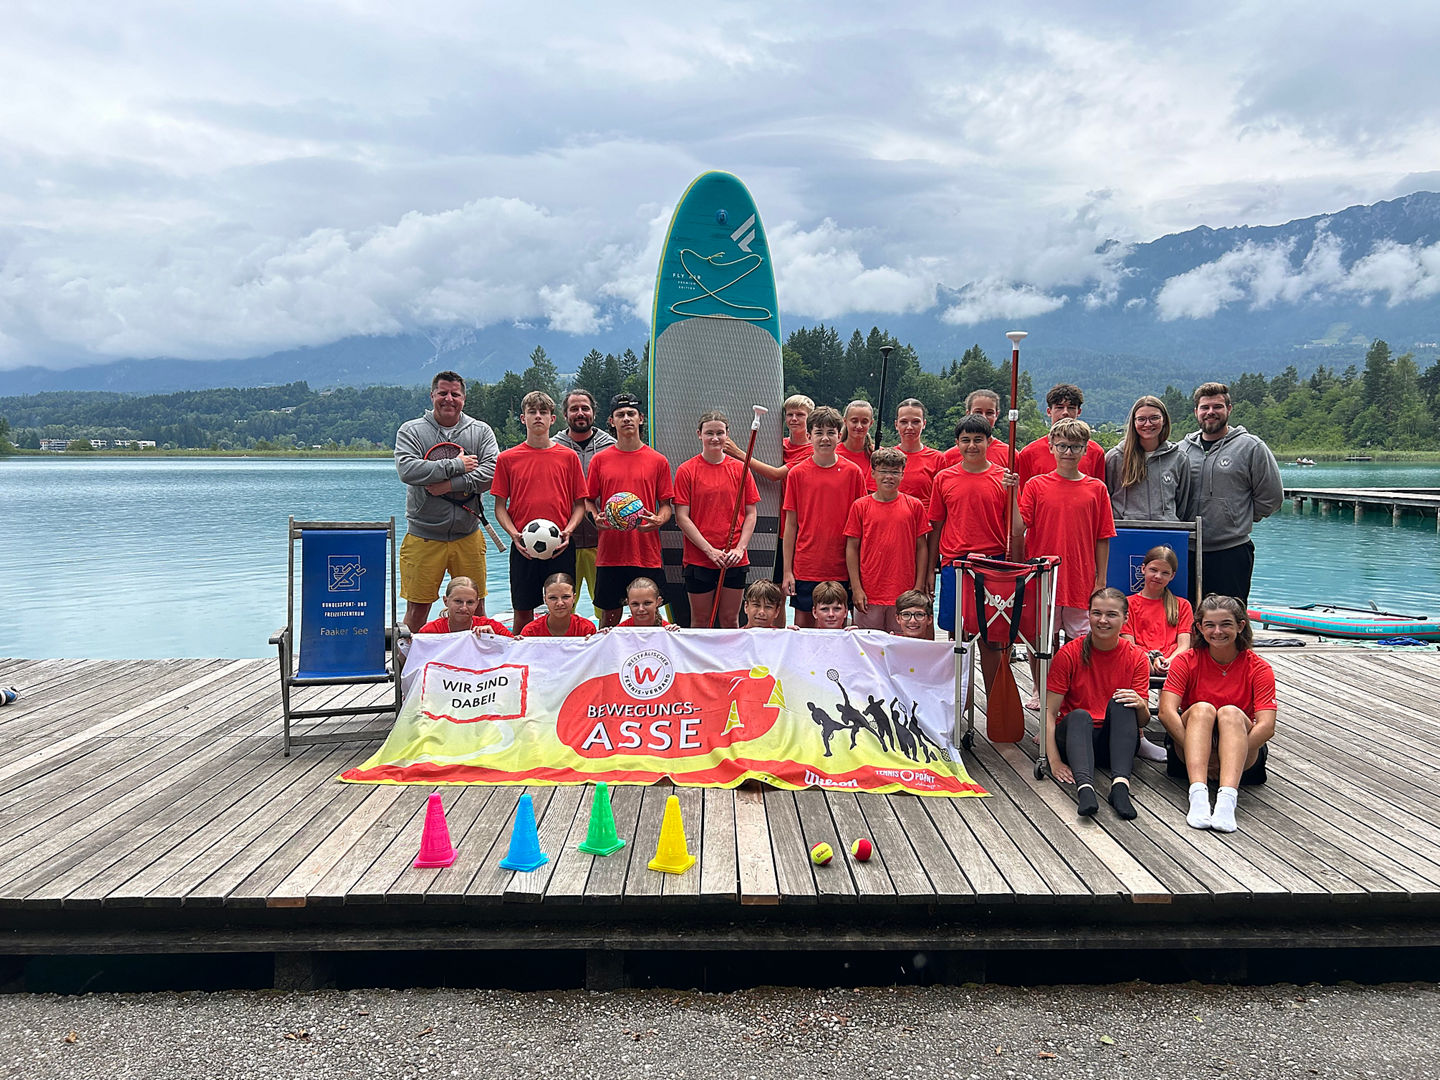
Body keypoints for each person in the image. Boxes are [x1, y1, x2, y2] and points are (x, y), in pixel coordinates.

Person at [1019, 417, 1117, 708]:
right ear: (1051, 447)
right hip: (1043, 579)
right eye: (1062, 445)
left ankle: (1080, 698)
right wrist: (1011, 492)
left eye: (1075, 446)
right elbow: (1017, 527)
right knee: (1041, 643)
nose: (1068, 452)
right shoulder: (1036, 485)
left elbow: (1103, 536)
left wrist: (1101, 580)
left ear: (1086, 450)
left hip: (1080, 579)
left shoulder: (1097, 489)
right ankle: (1042, 691)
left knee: (1082, 644)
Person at [1158, 594, 1276, 833]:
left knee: (1230, 713)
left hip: (1240, 752)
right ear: (1200, 627)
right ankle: (1198, 795)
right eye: (1209, 625)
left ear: (1240, 626)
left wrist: (1225, 756)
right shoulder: (1186, 661)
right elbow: (1166, 711)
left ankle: (1227, 799)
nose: (1217, 631)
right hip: (1190, 747)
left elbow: (1266, 725)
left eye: (1226, 624)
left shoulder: (1259, 667)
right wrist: (1198, 751)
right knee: (1202, 709)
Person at [394, 371, 500, 632]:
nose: (449, 399)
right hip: (423, 535)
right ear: (432, 396)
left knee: (477, 610)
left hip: (468, 534)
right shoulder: (412, 430)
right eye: (443, 393)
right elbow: (407, 470)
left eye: (455, 394)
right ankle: (408, 670)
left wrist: (449, 485)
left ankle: (476, 669)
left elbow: (492, 473)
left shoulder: (480, 431)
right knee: (417, 611)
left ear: (464, 398)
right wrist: (456, 465)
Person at [1044, 588, 1151, 820]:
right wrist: (1054, 761)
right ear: (1088, 615)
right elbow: (1049, 712)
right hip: (1075, 739)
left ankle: (1121, 787)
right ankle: (1085, 789)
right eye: (1096, 613)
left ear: (1125, 618)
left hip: (1114, 745)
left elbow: (1141, 721)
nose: (1103, 620)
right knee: (1080, 715)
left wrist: (1141, 705)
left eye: (1111, 614)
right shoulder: (1069, 653)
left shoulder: (1137, 657)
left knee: (1124, 702)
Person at [491, 391, 588, 634]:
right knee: (523, 609)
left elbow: (580, 504)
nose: (538, 417)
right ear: (522, 418)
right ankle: (521, 659)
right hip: (524, 545)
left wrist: (568, 531)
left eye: (543, 412)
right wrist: (514, 534)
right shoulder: (507, 459)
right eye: (532, 412)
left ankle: (566, 655)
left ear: (553, 419)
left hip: (560, 546)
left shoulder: (568, 457)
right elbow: (500, 507)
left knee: (563, 606)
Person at [1181, 382, 1283, 605]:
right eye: (1204, 407)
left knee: (1230, 620)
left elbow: (1272, 497)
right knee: (1186, 620)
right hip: (1186, 550)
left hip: (1231, 550)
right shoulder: (1182, 450)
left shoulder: (1251, 447)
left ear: (1229, 409)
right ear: (1196, 412)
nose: (1210, 412)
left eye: (1217, 406)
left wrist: (1240, 516)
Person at [584, 393, 674, 628]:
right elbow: (588, 500)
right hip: (610, 554)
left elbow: (666, 506)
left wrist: (658, 520)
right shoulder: (599, 460)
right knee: (609, 619)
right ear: (611, 422)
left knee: (651, 617)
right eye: (620, 415)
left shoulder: (658, 461)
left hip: (645, 553)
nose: (626, 419)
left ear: (641, 418)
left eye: (631, 414)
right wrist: (595, 517)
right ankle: (609, 663)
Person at [725, 394, 814, 625]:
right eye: (790, 415)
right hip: (773, 522)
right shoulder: (779, 445)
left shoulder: (810, 451)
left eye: (800, 415)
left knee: (782, 592)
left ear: (809, 419)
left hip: (792, 524)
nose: (794, 419)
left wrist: (738, 454)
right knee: (772, 588)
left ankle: (780, 636)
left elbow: (776, 475)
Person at [782, 407, 867, 628]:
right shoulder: (797, 473)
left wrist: (858, 574)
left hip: (842, 566)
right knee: (804, 630)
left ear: (840, 436)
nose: (825, 438)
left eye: (831, 432)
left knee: (838, 629)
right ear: (809, 436)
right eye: (819, 432)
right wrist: (787, 571)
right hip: (806, 566)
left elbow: (862, 525)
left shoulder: (853, 472)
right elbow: (791, 525)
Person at [674, 411, 760, 628]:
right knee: (701, 621)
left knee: (731, 620)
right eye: (709, 433)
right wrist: (709, 550)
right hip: (699, 559)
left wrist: (740, 548)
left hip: (734, 558)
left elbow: (751, 513)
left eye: (720, 433)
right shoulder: (686, 470)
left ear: (727, 435)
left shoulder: (740, 469)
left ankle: (730, 663)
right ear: (699, 435)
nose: (715, 438)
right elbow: (682, 517)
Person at [844, 446, 930, 633]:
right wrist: (856, 588)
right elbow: (852, 547)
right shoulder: (860, 506)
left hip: (904, 592)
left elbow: (921, 547)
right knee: (867, 646)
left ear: (902, 474)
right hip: (869, 593)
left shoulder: (914, 506)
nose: (888, 477)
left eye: (894, 472)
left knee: (901, 645)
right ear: (873, 473)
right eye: (883, 471)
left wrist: (918, 585)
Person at [553, 389, 617, 617]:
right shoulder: (552, 447)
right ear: (564, 414)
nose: (580, 413)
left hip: (601, 542)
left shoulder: (611, 447)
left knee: (605, 610)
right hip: (560, 542)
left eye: (585, 408)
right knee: (559, 609)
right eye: (574, 409)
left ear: (593, 412)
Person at [1105, 396, 1193, 522]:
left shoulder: (1179, 458)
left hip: (1166, 533)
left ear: (1164, 420)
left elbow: (1183, 503)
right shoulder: (1115, 458)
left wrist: (1169, 520)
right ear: (1134, 422)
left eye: (1154, 418)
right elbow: (1105, 499)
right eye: (1141, 419)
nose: (1148, 424)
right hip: (1124, 532)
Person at [1015, 383, 1106, 488]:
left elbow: (1099, 494)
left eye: (1071, 407)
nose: (1065, 412)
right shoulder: (1029, 453)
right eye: (1059, 407)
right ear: (1049, 411)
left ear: (1079, 412)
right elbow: (1022, 495)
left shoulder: (1096, 452)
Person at [1122, 545, 1194, 677]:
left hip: (1172, 668)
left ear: (1172, 576)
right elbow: (1129, 645)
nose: (1158, 576)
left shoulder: (1183, 605)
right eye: (1153, 570)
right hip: (1139, 667)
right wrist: (1149, 661)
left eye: (1165, 573)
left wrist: (1168, 662)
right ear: (1143, 569)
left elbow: (1184, 646)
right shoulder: (1127, 604)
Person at [416, 577, 513, 637]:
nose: (464, 608)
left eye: (470, 602)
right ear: (446, 601)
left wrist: (493, 639)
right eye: (458, 601)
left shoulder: (493, 627)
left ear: (477, 604)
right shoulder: (430, 631)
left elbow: (515, 649)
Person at [942, 389, 1012, 470]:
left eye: (989, 413)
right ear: (968, 414)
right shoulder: (949, 457)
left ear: (996, 415)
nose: (984, 417)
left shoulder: (1009, 454)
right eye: (978, 412)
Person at [894, 399, 945, 503]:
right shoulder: (886, 458)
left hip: (925, 518)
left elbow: (943, 498)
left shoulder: (937, 459)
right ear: (896, 425)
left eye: (915, 422)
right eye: (904, 422)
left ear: (924, 424)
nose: (909, 427)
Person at [519, 573, 598, 637]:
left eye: (565, 597)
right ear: (545, 599)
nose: (560, 603)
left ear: (574, 598)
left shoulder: (587, 629)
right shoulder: (530, 632)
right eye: (553, 598)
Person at [836, 400, 878, 492]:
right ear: (845, 421)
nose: (859, 426)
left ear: (871, 423)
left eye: (864, 422)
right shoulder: (833, 454)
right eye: (854, 421)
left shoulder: (878, 454)